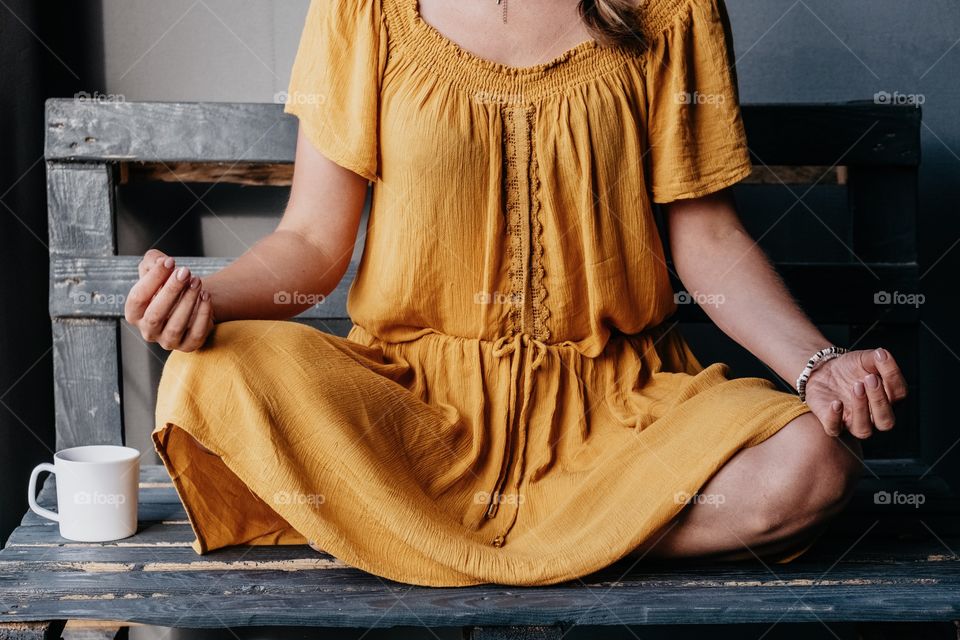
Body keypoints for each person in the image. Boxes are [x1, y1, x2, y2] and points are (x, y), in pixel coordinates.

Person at [125, 0, 908, 587]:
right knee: (209, 374)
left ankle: (411, 537)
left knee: (815, 464)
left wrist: (818, 363)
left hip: (620, 411)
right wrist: (208, 298)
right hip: (413, 411)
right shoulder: (362, 7)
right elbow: (312, 246)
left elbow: (704, 241)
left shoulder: (671, 10)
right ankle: (551, 542)